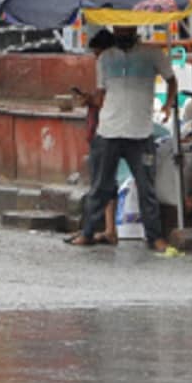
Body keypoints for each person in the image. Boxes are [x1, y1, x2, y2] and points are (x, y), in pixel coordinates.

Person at [67, 24, 177, 253]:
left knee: (146, 188)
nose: (123, 35)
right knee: (100, 187)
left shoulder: (153, 54)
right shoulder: (105, 59)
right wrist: (87, 99)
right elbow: (102, 95)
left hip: (141, 132)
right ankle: (87, 232)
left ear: (134, 29)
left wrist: (168, 104)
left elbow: (171, 80)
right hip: (109, 131)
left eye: (127, 32)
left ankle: (154, 237)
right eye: (119, 32)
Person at [68, 27, 117, 244]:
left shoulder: (107, 65)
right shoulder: (111, 67)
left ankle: (93, 231)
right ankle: (108, 228)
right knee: (104, 182)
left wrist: (88, 100)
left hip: (105, 130)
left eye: (97, 53)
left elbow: (103, 100)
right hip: (106, 128)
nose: (97, 58)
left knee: (100, 183)